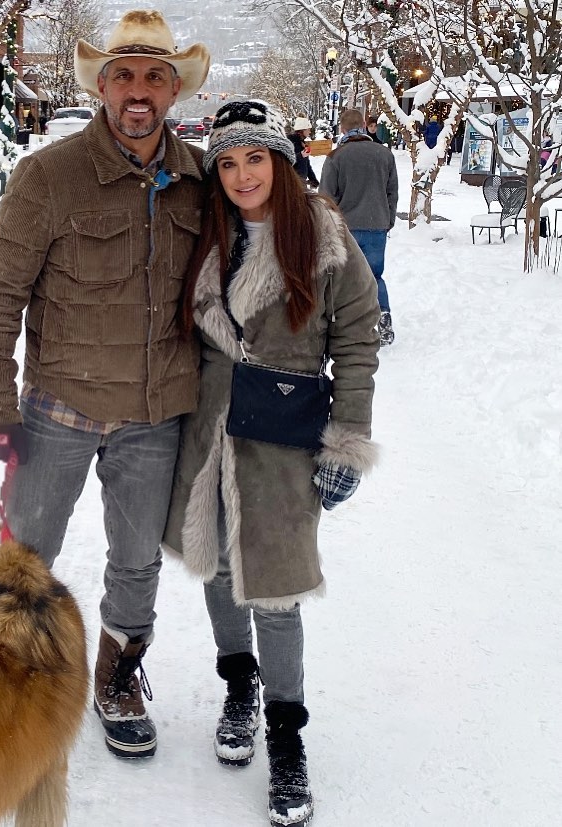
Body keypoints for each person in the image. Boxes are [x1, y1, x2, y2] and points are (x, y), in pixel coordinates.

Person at [0, 10, 210, 759]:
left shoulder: (201, 179)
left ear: (174, 90)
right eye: (124, 75)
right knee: (26, 553)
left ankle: (117, 674)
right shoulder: (49, 175)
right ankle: (5, 679)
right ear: (102, 85)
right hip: (56, 409)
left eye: (155, 76)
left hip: (153, 413)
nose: (139, 91)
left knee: (135, 558)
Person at [164, 100, 380, 827]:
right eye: (226, 162)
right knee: (219, 567)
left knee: (276, 590)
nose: (241, 174)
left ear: (280, 162)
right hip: (205, 430)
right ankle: (238, 684)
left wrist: (346, 436)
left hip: (283, 440)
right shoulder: (205, 234)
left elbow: (355, 338)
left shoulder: (322, 238)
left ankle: (287, 738)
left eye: (254, 157)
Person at [319, 108, 398, 346]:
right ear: (364, 125)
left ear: (342, 128)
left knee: (344, 278)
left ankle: (347, 325)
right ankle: (383, 317)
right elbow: (392, 192)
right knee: (375, 276)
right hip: (377, 226)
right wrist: (388, 219)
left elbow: (325, 197)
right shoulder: (384, 154)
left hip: (346, 228)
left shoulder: (336, 157)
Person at [288, 116, 319, 189]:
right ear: (302, 130)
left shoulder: (302, 143)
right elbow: (286, 161)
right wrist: (300, 155)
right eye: (308, 130)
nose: (310, 132)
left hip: (301, 183)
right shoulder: (290, 142)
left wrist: (313, 179)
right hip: (291, 184)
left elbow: (306, 164)